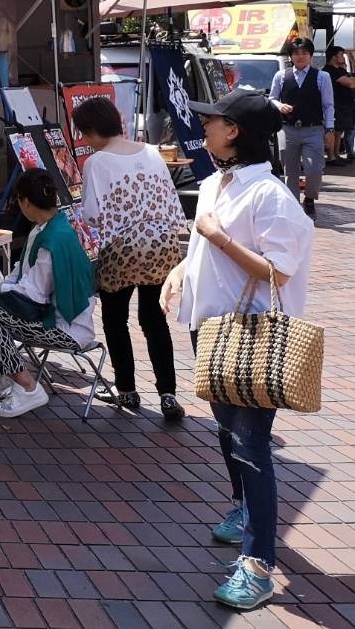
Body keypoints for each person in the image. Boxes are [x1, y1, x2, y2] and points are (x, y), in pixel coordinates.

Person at [161, 87, 312, 610]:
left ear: (235, 132)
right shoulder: (214, 183)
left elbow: (279, 271)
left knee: (251, 446)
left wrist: (217, 238)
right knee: (227, 433)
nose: (204, 128)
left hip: (252, 337)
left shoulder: (270, 196)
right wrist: (181, 270)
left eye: (213, 122)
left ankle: (258, 564)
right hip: (212, 329)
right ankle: (243, 509)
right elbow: (204, 245)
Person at [71, 96, 185, 421]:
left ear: (92, 130)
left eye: (84, 133)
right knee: (154, 320)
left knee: (115, 319)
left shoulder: (97, 162)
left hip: (120, 248)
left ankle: (127, 389)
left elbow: (93, 214)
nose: (85, 140)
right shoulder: (150, 151)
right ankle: (168, 394)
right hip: (161, 245)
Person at [0, 169, 96, 418]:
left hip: (65, 328)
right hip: (51, 316)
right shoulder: (49, 227)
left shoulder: (53, 238)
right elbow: (21, 275)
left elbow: (32, 295)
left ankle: (28, 387)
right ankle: (7, 377)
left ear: (25, 201)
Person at [269, 37, 334, 218]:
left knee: (314, 169)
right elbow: (271, 98)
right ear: (290, 56)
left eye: (304, 53)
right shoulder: (281, 76)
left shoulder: (322, 77)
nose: (300, 56)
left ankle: (310, 199)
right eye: (296, 53)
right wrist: (279, 105)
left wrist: (329, 129)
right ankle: (292, 205)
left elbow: (328, 105)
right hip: (287, 129)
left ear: (310, 55)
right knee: (290, 171)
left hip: (313, 129)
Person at [324, 46, 355, 165]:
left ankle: (336, 155)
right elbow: (350, 83)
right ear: (333, 57)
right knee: (334, 131)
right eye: (341, 55)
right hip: (334, 105)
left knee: (339, 131)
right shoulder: (329, 70)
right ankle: (331, 157)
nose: (343, 57)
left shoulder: (340, 70)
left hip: (344, 105)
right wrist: (351, 79)